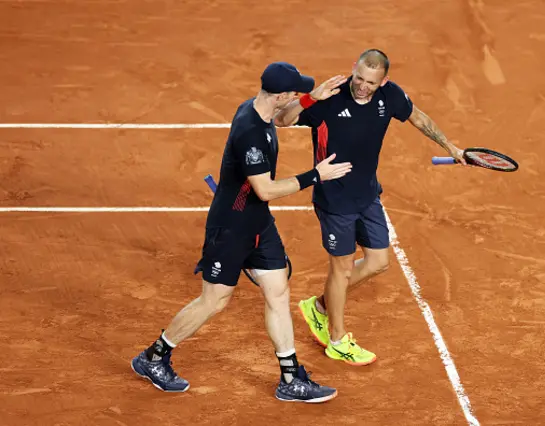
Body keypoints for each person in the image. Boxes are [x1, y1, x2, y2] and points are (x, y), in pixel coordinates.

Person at [131, 62, 352, 402]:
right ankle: (154, 357)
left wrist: (312, 98)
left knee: (277, 291)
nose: (298, 95)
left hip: (258, 224)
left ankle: (290, 378)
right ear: (279, 95)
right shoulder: (250, 133)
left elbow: (282, 118)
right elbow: (265, 190)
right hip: (231, 228)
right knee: (214, 300)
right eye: (294, 92)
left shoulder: (258, 108)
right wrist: (316, 175)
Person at [274, 49, 467, 366]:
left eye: (371, 83)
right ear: (354, 68)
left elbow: (418, 117)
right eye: (359, 78)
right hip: (334, 199)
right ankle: (336, 340)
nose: (362, 86)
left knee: (378, 261)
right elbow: (281, 120)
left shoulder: (390, 96)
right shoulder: (330, 97)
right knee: (342, 268)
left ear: (384, 80)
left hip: (366, 194)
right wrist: (312, 97)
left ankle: (319, 306)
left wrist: (451, 146)